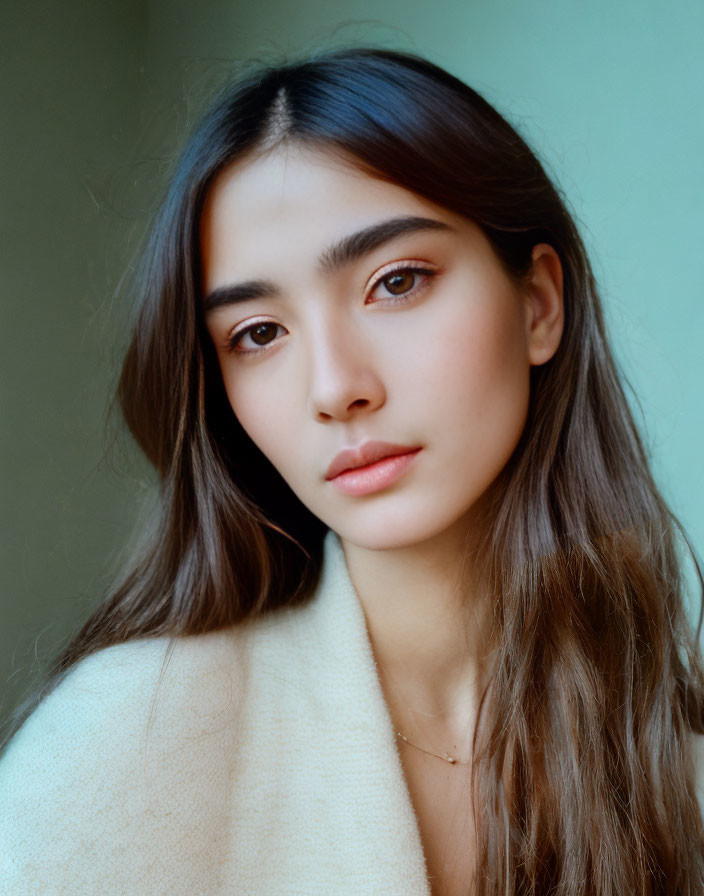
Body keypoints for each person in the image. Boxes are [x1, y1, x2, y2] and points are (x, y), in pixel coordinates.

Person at [1, 45, 703, 895]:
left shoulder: (671, 745)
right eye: (257, 334)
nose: (336, 388)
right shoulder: (124, 748)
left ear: (539, 305)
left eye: (396, 282)